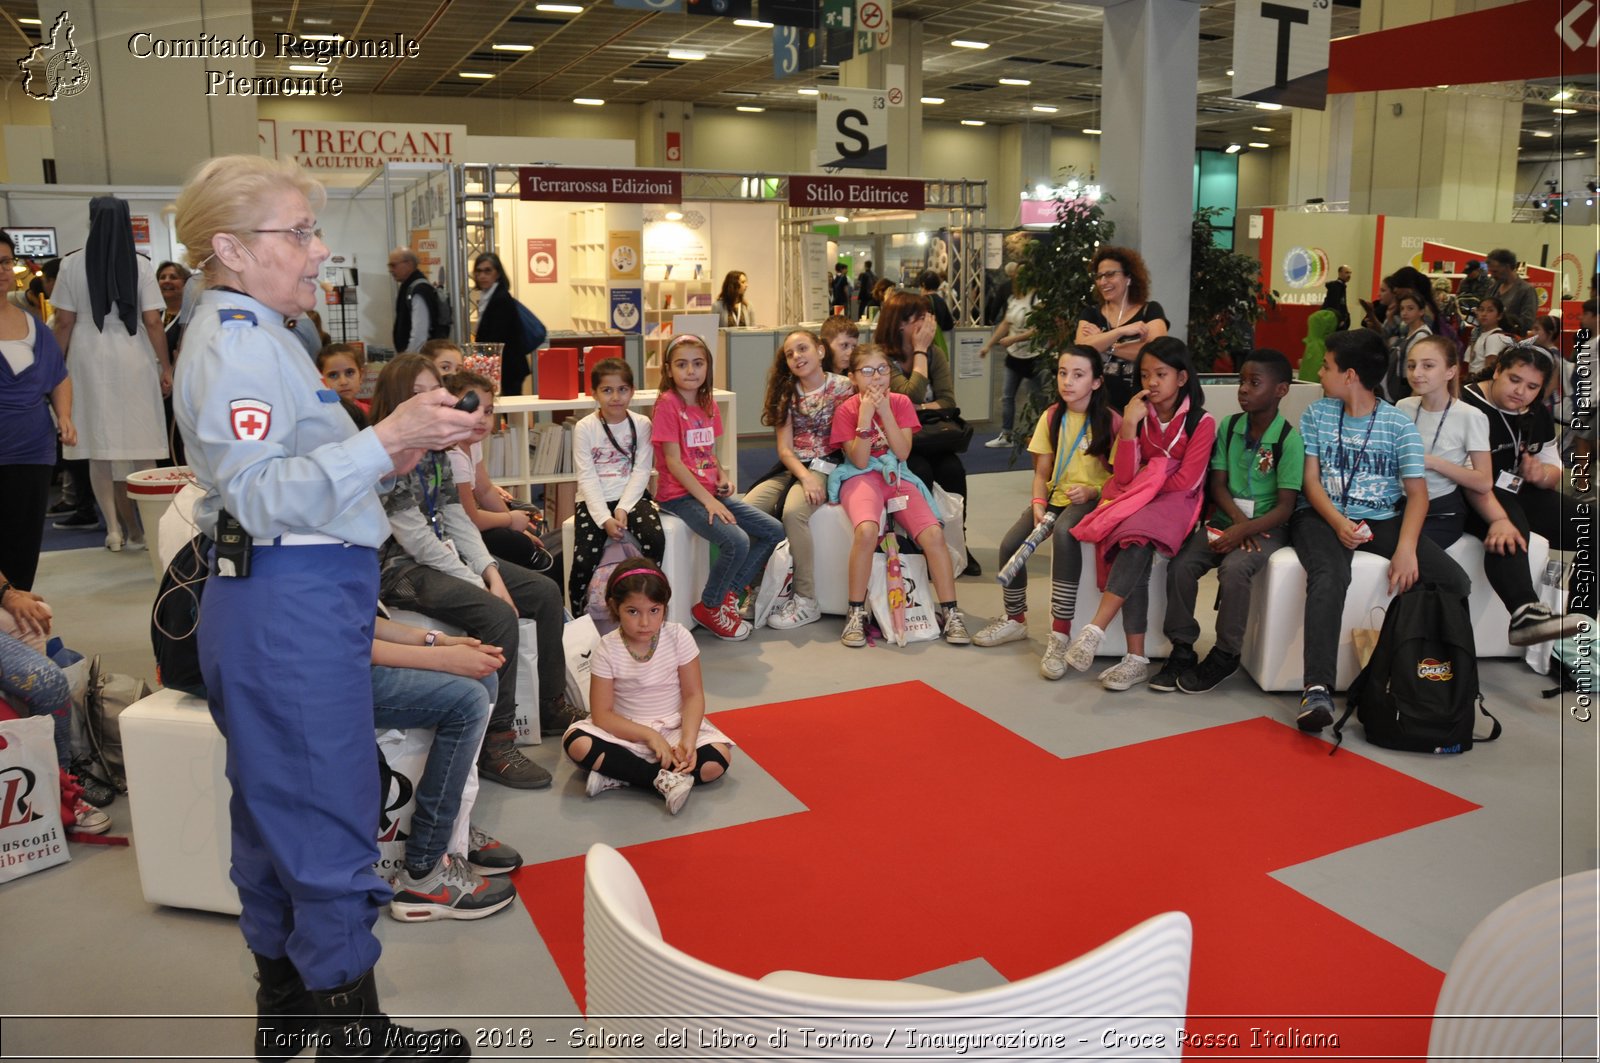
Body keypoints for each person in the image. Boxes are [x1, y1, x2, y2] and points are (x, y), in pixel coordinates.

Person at [172, 153, 479, 1058]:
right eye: (297, 231)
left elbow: (295, 479)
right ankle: (354, 1029)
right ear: (229, 246)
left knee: (272, 809)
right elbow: (264, 493)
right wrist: (388, 434)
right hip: (286, 604)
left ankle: (291, 1005)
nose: (317, 250)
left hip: (292, 599)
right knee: (326, 810)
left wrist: (408, 441)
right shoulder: (238, 344)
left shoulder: (261, 333)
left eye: (312, 229)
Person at [369, 354, 575, 778]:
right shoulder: (386, 457)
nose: (431, 400)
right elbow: (418, 542)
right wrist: (480, 584)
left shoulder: (438, 450)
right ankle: (497, 743)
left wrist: (492, 572)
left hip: (442, 554)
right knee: (497, 613)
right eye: (417, 393)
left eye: (434, 390)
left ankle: (552, 705)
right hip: (399, 572)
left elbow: (457, 519)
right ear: (396, 400)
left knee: (544, 591)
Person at [1289, 329, 1472, 733]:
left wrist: (1406, 549)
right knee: (1331, 576)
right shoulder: (1317, 414)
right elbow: (1310, 482)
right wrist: (1339, 523)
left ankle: (1407, 671)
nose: (1320, 373)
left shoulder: (1397, 425)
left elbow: (1418, 496)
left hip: (1380, 519)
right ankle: (1317, 688)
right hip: (1320, 517)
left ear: (1350, 374)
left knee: (1454, 581)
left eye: (1327, 366)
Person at [1064, 337, 1216, 690]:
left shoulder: (1201, 422)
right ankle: (1134, 659)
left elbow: (1185, 481)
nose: (1152, 383)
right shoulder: (1140, 415)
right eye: (1146, 374)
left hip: (1178, 506)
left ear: (1182, 377)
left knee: (1136, 536)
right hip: (1140, 500)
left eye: (1161, 374)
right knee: (1135, 545)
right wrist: (1130, 427)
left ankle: (1097, 629)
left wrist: (1150, 478)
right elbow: (1124, 476)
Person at [1153, 349, 1302, 694]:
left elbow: (1286, 506)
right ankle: (1182, 646)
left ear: (1281, 390)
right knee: (1182, 564)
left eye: (1254, 382)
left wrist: (1246, 530)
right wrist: (1236, 524)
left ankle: (1225, 653)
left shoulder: (1289, 440)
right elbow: (1216, 484)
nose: (1244, 389)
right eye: (1241, 381)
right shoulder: (1230, 426)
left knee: (1235, 570)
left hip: (1267, 528)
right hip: (1227, 522)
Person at [971, 346, 1114, 680]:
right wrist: (1037, 505)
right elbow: (1040, 474)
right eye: (1063, 373)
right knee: (1011, 545)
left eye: (1078, 375)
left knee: (1065, 535)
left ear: (1096, 382)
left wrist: (1092, 491)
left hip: (1091, 501)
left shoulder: (1111, 421)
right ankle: (1015, 620)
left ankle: (1060, 635)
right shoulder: (1052, 416)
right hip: (1053, 499)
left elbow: (1120, 479)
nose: (1068, 381)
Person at [369, 616, 519, 923]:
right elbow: (340, 641)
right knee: (468, 700)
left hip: (349, 659)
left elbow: (361, 617)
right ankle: (424, 868)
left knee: (485, 677)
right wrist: (441, 658)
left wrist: (436, 640)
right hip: (325, 674)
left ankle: (455, 834)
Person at [562, 560, 731, 815]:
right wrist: (650, 736)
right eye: (633, 611)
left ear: (664, 608)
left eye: (654, 610)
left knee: (716, 762)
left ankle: (619, 774)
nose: (645, 622)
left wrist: (688, 739)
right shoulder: (607, 648)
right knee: (576, 743)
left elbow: (693, 695)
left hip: (674, 726)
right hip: (626, 731)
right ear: (614, 607)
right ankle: (659, 779)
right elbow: (603, 714)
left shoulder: (679, 636)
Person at [829, 343, 970, 647]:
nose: (876, 378)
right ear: (853, 377)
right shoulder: (847, 410)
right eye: (867, 371)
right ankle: (855, 613)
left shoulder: (902, 402)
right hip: (862, 476)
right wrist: (865, 418)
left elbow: (903, 451)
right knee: (866, 531)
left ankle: (951, 612)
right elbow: (860, 461)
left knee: (933, 534)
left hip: (896, 474)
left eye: (882, 369)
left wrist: (884, 412)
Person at [52, 196, 172, 552]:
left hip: (87, 355)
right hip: (133, 353)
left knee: (97, 446)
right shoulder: (142, 266)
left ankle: (114, 530)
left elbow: (63, 322)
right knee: (144, 443)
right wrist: (165, 367)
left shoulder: (71, 264)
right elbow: (152, 321)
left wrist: (55, 368)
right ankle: (150, 530)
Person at [652, 334, 782, 640]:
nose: (691, 371)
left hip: (709, 493)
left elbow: (709, 453)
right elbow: (674, 462)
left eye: (698, 364)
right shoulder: (667, 405)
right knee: (736, 541)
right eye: (682, 364)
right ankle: (710, 606)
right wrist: (709, 502)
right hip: (679, 497)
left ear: (708, 367)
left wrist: (722, 477)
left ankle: (729, 596)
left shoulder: (709, 403)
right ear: (669, 370)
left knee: (774, 531)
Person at [1459, 344, 1586, 643]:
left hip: (1516, 489)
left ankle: (1581, 631)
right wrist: (1500, 517)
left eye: (1532, 387)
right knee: (1510, 521)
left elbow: (1552, 466)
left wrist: (1540, 474)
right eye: (1514, 380)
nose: (1521, 392)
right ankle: (1525, 611)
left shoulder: (1534, 412)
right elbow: (1470, 479)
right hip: (1471, 493)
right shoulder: (1466, 405)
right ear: (1498, 370)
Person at [746, 329, 854, 629]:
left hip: (830, 462)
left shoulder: (844, 387)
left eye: (803, 349)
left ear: (820, 351)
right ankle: (757, 588)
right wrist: (804, 476)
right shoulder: (786, 393)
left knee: (795, 513)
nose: (797, 357)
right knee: (748, 509)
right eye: (790, 354)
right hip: (795, 465)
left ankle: (806, 600)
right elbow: (785, 449)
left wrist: (813, 478)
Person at [875, 288, 976, 575]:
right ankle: (924, 547)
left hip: (932, 437)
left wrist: (914, 407)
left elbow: (948, 401)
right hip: (899, 444)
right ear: (899, 324)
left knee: (953, 471)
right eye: (919, 317)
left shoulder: (936, 355)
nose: (927, 323)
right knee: (920, 473)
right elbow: (908, 395)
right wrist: (919, 351)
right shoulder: (882, 359)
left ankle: (958, 542)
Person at [0, 232, 75, 592]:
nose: (1, 271)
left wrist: (64, 416)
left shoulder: (32, 324)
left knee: (23, 546)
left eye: (4, 262)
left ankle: (17, 634)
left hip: (32, 448)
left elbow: (58, 376)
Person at [568, 357, 665, 610]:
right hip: (593, 499)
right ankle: (579, 612)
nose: (615, 397)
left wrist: (622, 508)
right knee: (583, 558)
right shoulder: (584, 427)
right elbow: (586, 477)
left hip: (632, 497)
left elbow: (642, 470)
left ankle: (651, 601)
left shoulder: (642, 424)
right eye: (607, 390)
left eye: (622, 389)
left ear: (632, 391)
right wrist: (604, 519)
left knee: (654, 539)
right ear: (595, 393)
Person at [443, 369, 559, 573]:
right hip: (454, 535)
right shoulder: (454, 455)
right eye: (471, 410)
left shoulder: (472, 441)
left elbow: (485, 490)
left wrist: (517, 527)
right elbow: (470, 519)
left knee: (527, 521)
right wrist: (510, 520)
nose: (481, 419)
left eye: (487, 411)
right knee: (515, 542)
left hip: (470, 524)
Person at [1395, 335, 1493, 548]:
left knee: (1409, 558)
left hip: (1440, 512)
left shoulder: (1471, 416)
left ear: (1450, 371)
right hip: (1399, 504)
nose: (1417, 373)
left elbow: (1484, 481)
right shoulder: (1403, 406)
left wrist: (1432, 462)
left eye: (1427, 366)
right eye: (1411, 366)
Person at [1074, 246, 1170, 411]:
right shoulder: (1091, 314)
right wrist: (1120, 332)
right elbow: (1082, 349)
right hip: (1098, 408)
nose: (1103, 282)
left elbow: (1155, 353)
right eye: (1099, 276)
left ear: (1128, 277)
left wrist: (1106, 345)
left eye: (1110, 274)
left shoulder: (1150, 311)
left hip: (1141, 406)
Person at [979, 273, 1041, 448]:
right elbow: (1006, 323)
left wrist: (1013, 339)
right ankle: (1006, 435)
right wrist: (988, 345)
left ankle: (1041, 435)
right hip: (1014, 357)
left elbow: (1039, 329)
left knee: (1037, 399)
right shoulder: (1014, 298)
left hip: (1035, 356)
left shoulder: (1037, 299)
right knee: (1007, 397)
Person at [470, 251, 535, 398]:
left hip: (508, 367)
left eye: (488, 271)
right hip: (502, 366)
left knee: (511, 411)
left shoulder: (500, 298)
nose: (482, 275)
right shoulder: (489, 296)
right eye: (478, 271)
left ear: (497, 273)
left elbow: (496, 336)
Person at [387, 247, 445, 354]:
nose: (390, 270)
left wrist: (408, 359)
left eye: (393, 265)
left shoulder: (419, 289)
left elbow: (419, 333)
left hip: (417, 360)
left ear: (408, 264)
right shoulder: (410, 287)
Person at [1383, 291, 1433, 402]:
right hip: (1401, 385)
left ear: (1421, 311)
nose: (1404, 313)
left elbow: (1420, 369)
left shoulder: (1421, 336)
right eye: (1402, 309)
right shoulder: (1409, 332)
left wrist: (1413, 396)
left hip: (1409, 387)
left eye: (1410, 309)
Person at [1485, 248, 1538, 336]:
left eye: (1495, 271)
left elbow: (1527, 323)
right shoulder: (1492, 288)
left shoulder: (1526, 290)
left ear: (1507, 267)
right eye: (1491, 271)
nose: (1492, 275)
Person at [1466, 296, 1515, 377]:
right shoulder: (1476, 334)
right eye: (1481, 310)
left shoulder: (1495, 337)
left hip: (1481, 384)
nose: (1484, 314)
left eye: (1490, 310)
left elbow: (1489, 372)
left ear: (1499, 316)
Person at [1321, 264, 1352, 331]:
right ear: (1340, 273)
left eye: (1350, 273)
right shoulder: (1335, 287)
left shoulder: (1342, 287)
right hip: (1335, 323)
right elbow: (1334, 305)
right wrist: (1339, 320)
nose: (1349, 275)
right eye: (1346, 272)